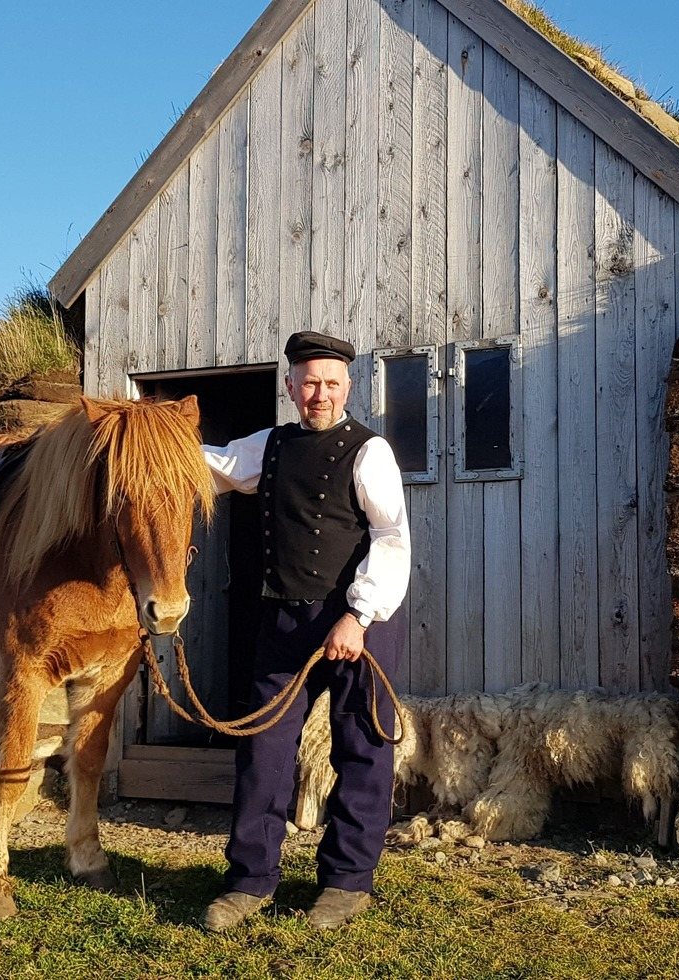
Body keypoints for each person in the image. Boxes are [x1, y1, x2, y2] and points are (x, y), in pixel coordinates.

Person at [196, 330, 411, 932]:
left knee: (361, 748)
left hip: (353, 624)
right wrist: (145, 443)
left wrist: (357, 615)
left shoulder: (371, 452)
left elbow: (392, 540)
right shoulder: (267, 445)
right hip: (283, 621)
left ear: (348, 387)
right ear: (290, 386)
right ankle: (249, 879)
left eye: (332, 384)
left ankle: (346, 883)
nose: (321, 395)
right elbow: (209, 466)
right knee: (262, 749)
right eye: (310, 383)